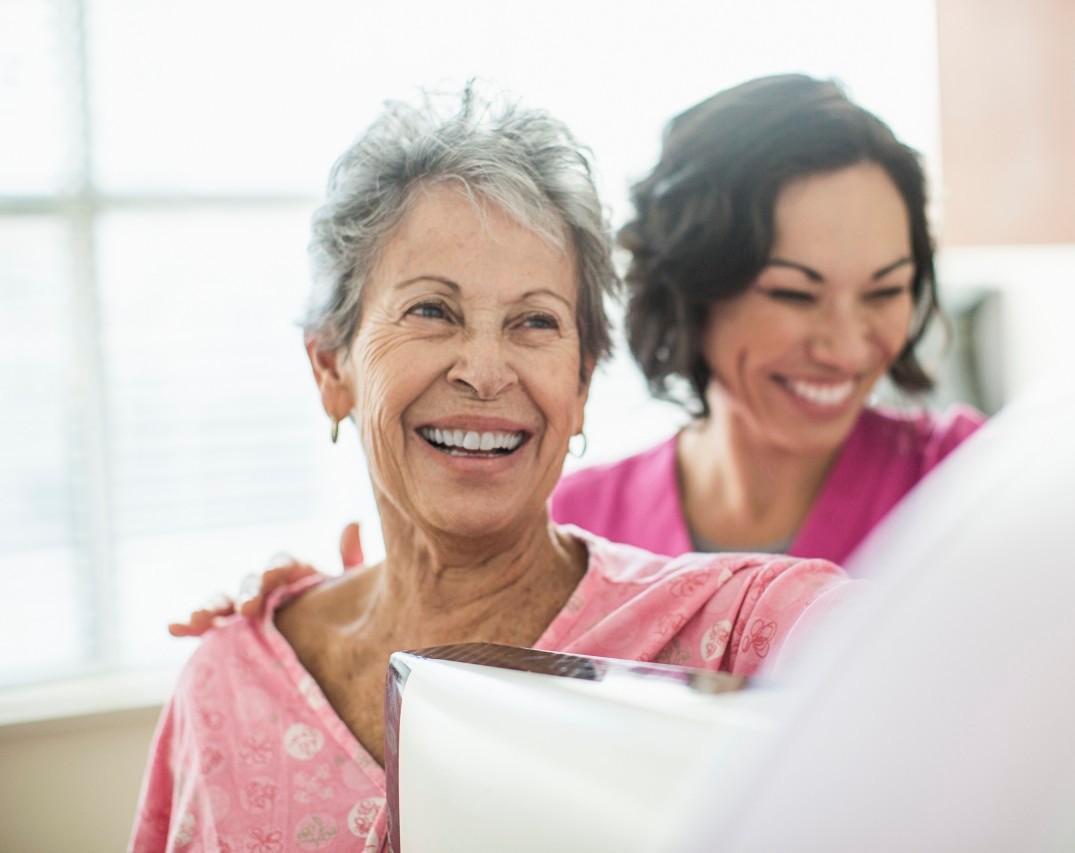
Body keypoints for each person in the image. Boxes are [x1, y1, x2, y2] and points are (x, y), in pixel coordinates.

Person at [131, 86, 853, 852]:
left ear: (579, 384)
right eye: (432, 311)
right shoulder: (229, 682)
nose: (485, 370)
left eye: (534, 321)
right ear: (331, 367)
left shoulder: (726, 624)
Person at [552, 74, 982, 563]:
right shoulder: (570, 530)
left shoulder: (975, 481)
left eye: (883, 291)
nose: (845, 349)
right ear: (690, 290)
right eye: (794, 294)